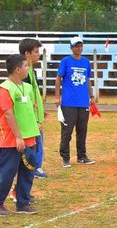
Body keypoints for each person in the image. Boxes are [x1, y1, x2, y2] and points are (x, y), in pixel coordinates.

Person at [0, 54, 40, 215]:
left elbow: (29, 108)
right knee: (7, 172)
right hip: (12, 139)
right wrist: (18, 137)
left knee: (28, 171)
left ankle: (23, 203)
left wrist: (37, 124)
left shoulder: (28, 87)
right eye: (26, 66)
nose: (28, 69)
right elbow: (8, 114)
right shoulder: (5, 88)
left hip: (30, 136)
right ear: (18, 69)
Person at [55, 36, 96, 168]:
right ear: (71, 48)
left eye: (81, 46)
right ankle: (65, 157)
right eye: (76, 46)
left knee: (82, 131)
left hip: (83, 102)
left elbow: (88, 80)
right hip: (68, 103)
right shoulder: (66, 61)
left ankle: (82, 156)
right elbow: (58, 79)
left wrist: (91, 95)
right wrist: (57, 96)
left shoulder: (86, 62)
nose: (79, 48)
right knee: (67, 131)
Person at [19, 38, 48, 178]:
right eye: (36, 52)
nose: (39, 55)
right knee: (34, 147)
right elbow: (25, 100)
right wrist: (35, 120)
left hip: (36, 117)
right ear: (27, 54)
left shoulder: (31, 71)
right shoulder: (24, 75)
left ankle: (35, 168)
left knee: (38, 145)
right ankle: (34, 168)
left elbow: (34, 96)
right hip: (31, 121)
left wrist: (41, 112)